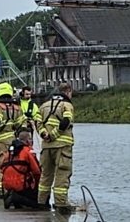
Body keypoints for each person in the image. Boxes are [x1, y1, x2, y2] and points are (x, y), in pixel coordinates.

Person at [35, 82, 75, 214]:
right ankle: (61, 203)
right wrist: (53, 135)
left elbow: (37, 122)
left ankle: (42, 201)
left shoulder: (44, 106)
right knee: (62, 173)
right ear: (68, 92)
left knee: (46, 174)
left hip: (46, 147)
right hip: (62, 146)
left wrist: (44, 134)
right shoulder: (67, 105)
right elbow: (66, 121)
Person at [0, 83, 23, 199]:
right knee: (9, 165)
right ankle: (7, 187)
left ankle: (0, 191)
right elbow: (21, 124)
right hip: (12, 140)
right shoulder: (17, 107)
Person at [1, 130, 41, 210]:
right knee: (36, 203)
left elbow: (2, 169)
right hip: (21, 185)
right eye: (30, 139)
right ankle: (15, 197)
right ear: (26, 140)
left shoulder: (9, 152)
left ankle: (13, 197)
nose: (31, 141)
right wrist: (37, 185)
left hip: (8, 185)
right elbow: (37, 171)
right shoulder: (28, 151)